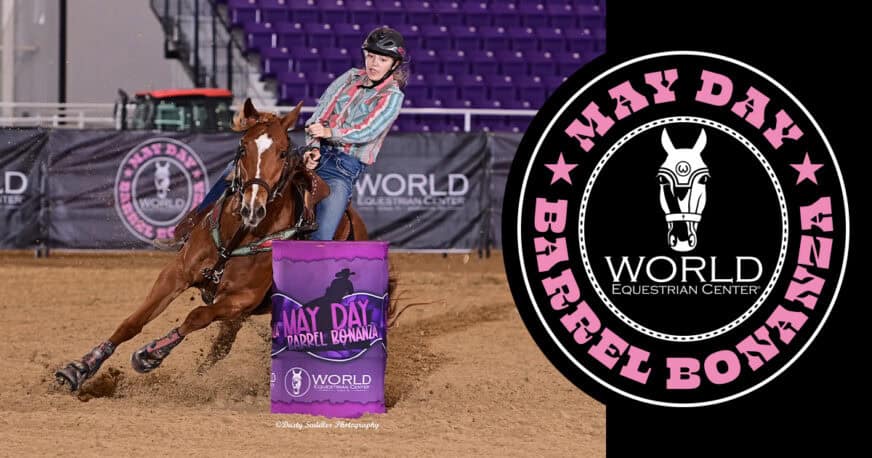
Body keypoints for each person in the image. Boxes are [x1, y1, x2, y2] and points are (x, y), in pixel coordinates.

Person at [153, 26, 407, 250]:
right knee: (236, 170)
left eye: (382, 59)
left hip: (343, 168)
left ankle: (309, 273)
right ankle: (190, 227)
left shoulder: (392, 96)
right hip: (314, 151)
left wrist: (330, 133)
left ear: (394, 64)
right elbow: (320, 113)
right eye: (371, 56)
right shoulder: (350, 77)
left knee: (324, 231)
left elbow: (368, 130)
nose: (373, 63)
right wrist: (314, 148)